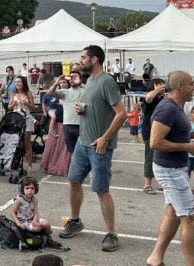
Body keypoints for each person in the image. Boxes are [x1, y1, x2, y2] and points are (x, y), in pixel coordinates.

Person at [59, 45, 127, 253]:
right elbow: (97, 108)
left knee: (101, 189)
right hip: (83, 142)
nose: (80, 61)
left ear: (94, 59)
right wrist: (82, 110)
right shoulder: (89, 81)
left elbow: (121, 113)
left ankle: (111, 233)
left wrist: (105, 138)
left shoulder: (106, 81)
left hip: (99, 145)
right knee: (74, 180)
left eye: (83, 57)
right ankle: (75, 220)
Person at [145, 71, 194, 266]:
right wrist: (187, 147)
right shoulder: (167, 109)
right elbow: (155, 142)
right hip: (170, 170)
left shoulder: (176, 107)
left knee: (173, 215)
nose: (193, 89)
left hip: (175, 168)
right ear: (180, 86)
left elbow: (171, 133)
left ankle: (155, 258)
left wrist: (190, 135)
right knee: (190, 220)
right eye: (190, 85)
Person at [48, 72, 85, 163]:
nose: (72, 79)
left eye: (75, 77)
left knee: (85, 151)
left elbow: (93, 91)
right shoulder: (65, 92)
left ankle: (90, 174)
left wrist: (80, 83)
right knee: (72, 152)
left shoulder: (85, 91)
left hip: (81, 125)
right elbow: (49, 93)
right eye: (71, 77)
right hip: (68, 125)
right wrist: (57, 82)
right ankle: (75, 173)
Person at [141, 78, 166, 195]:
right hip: (150, 131)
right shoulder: (151, 96)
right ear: (154, 86)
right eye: (160, 84)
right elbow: (148, 98)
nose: (163, 86)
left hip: (162, 131)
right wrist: (156, 90)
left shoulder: (163, 98)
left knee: (163, 157)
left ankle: (162, 183)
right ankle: (147, 184)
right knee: (150, 157)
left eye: (163, 84)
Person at [8, 76, 36, 173]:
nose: (17, 84)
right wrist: (13, 104)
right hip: (16, 119)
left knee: (27, 143)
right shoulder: (13, 94)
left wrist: (27, 103)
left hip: (27, 118)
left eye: (19, 82)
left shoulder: (28, 94)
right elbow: (9, 107)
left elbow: (33, 108)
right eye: (16, 82)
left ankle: (30, 166)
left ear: (23, 83)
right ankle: (14, 163)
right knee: (15, 142)